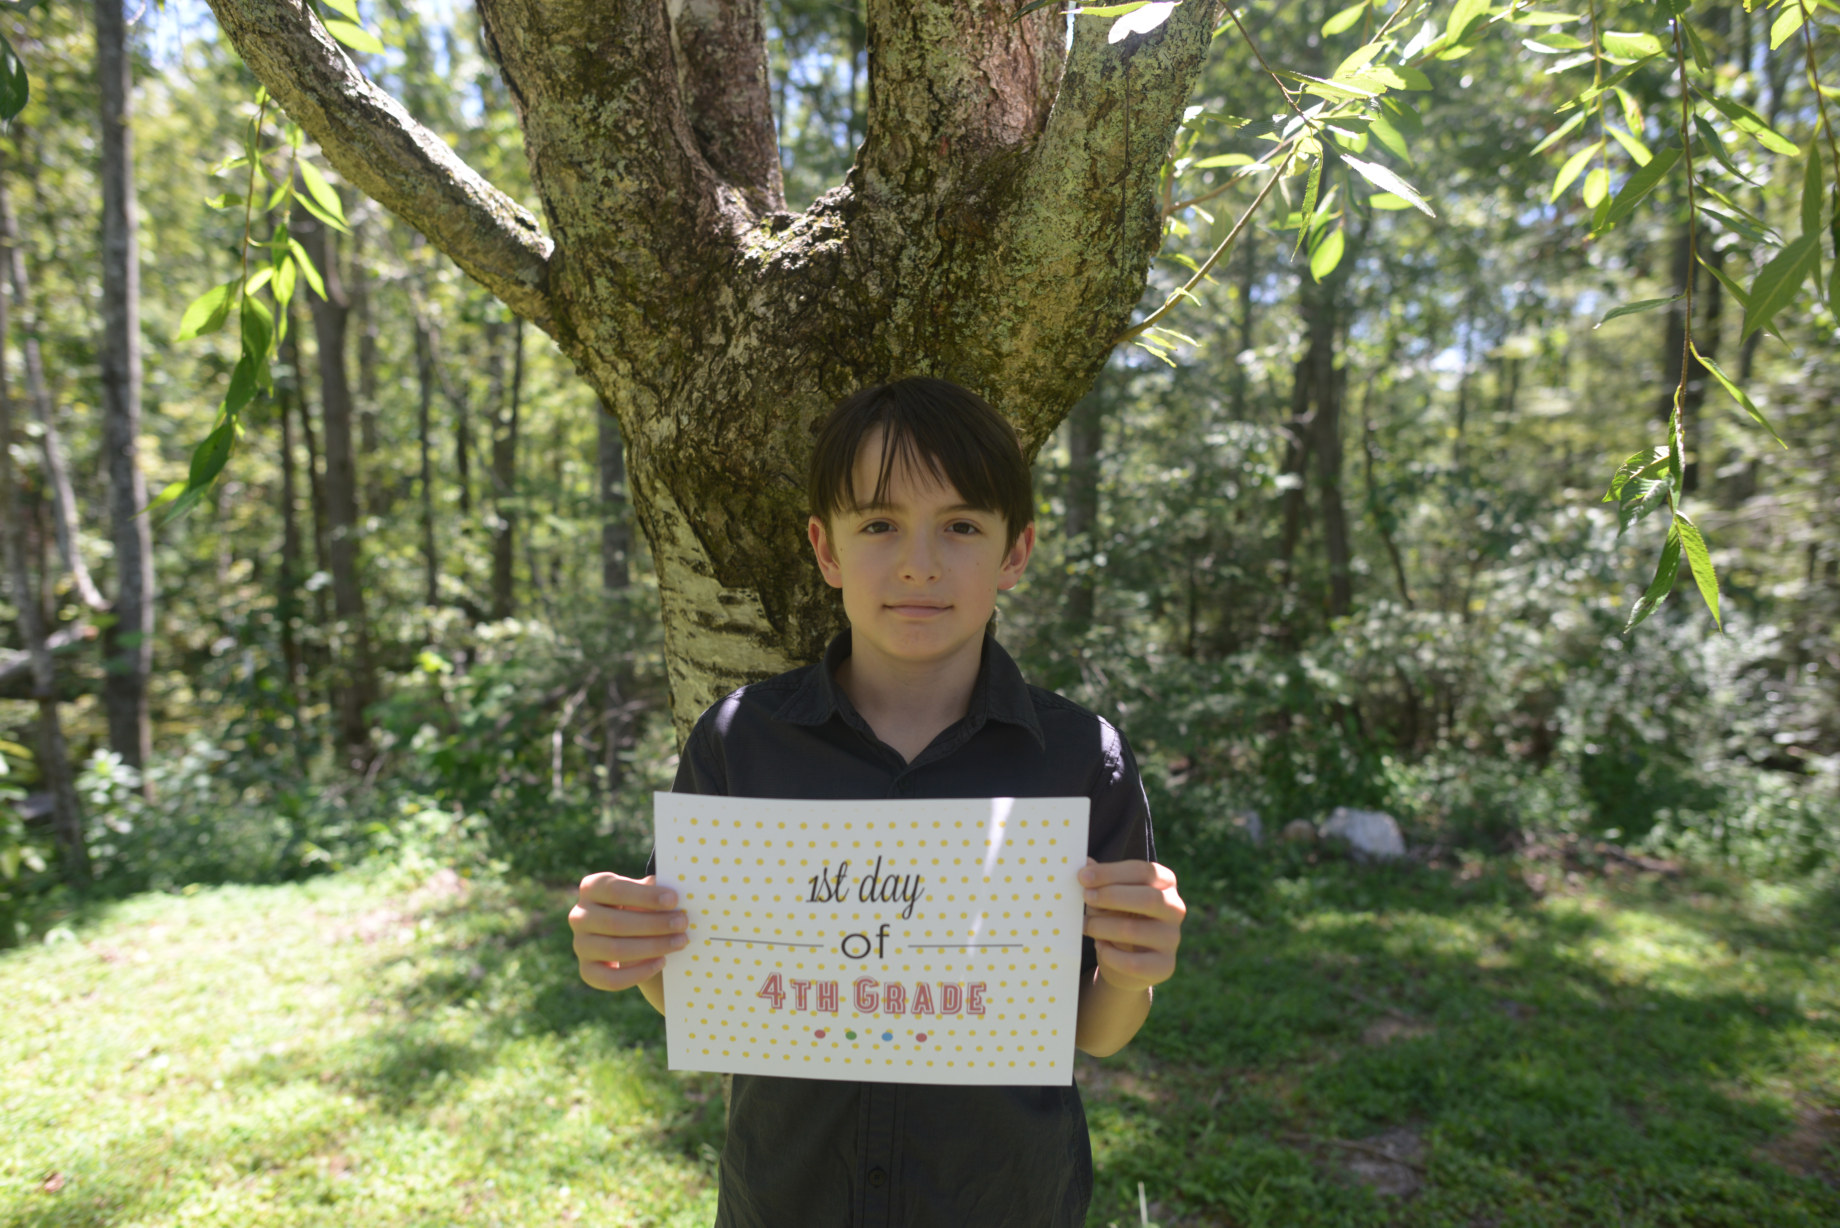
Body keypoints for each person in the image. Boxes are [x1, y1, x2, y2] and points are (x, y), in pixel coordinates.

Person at [568, 377, 1187, 1227]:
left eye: (961, 526)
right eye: (879, 524)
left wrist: (1131, 967)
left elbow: (1098, 1029)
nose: (918, 563)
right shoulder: (741, 742)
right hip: (789, 1200)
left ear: (1015, 553)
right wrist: (633, 947)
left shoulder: (1082, 758)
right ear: (826, 550)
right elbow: (695, 993)